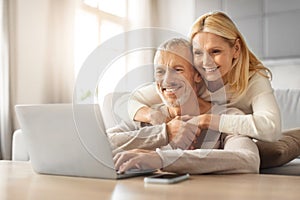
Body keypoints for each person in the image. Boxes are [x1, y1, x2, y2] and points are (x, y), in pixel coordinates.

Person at [111, 37, 260, 174]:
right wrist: (164, 133)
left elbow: (248, 160)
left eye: (178, 70)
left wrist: (162, 159)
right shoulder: (149, 116)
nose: (167, 80)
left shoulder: (227, 117)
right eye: (160, 71)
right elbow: (103, 144)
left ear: (197, 75)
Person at [128, 11, 281, 143]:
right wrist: (155, 117)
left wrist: (206, 119)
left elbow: (271, 128)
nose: (206, 63)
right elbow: (131, 101)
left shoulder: (254, 80)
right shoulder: (194, 77)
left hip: (243, 140)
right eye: (198, 53)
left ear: (236, 49)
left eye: (215, 51)